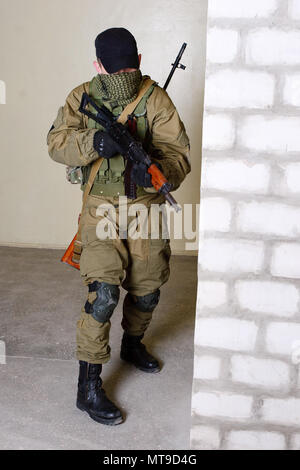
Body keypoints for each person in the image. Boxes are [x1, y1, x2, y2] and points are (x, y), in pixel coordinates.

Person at [47, 27, 190, 426]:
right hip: (100, 211)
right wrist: (95, 142)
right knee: (103, 294)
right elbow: (57, 142)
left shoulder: (155, 98)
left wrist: (159, 173)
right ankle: (87, 386)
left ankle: (132, 344)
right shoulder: (83, 97)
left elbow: (178, 153)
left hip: (145, 209)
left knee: (147, 289)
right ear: (139, 59)